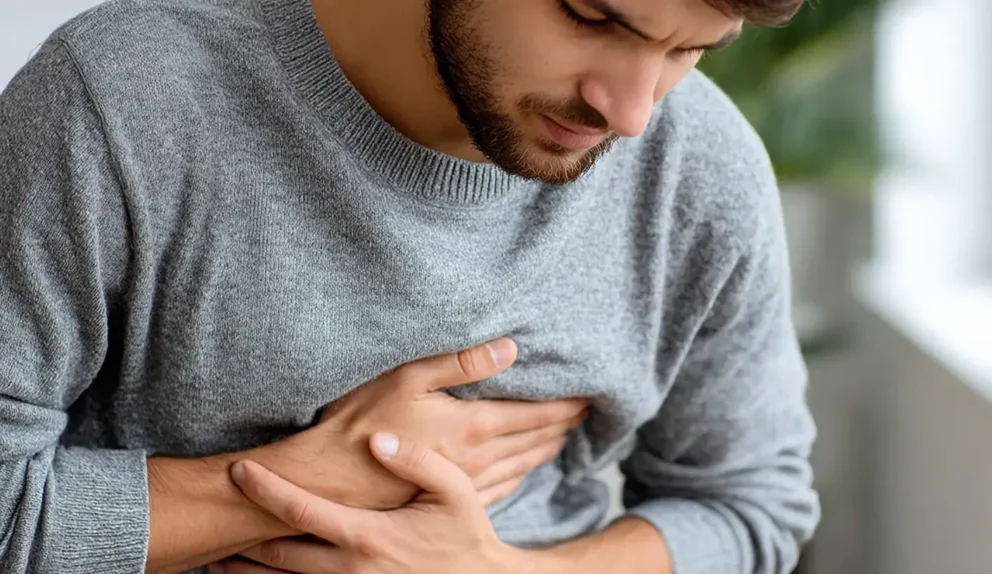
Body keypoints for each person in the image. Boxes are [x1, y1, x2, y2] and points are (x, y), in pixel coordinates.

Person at [0, 0, 820, 572]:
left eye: (690, 50)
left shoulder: (701, 169)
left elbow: (748, 505)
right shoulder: (123, 100)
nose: (633, 112)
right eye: (593, 16)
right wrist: (309, 481)